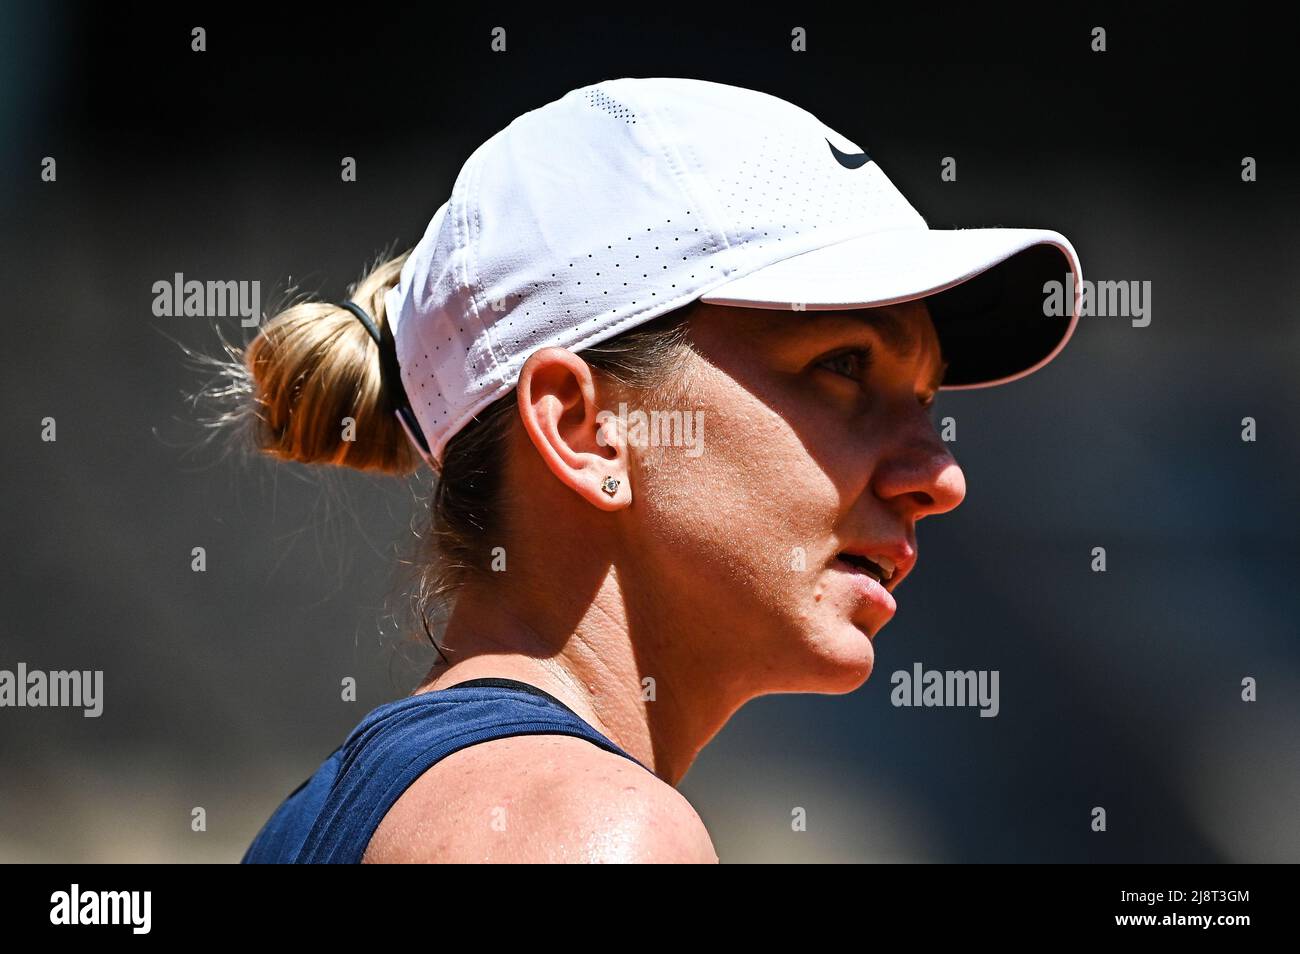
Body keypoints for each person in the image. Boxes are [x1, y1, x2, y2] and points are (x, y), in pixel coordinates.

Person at [223, 77, 1082, 863]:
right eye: (845, 366)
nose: (940, 475)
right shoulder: (592, 834)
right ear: (585, 428)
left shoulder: (340, 814)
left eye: (926, 400)